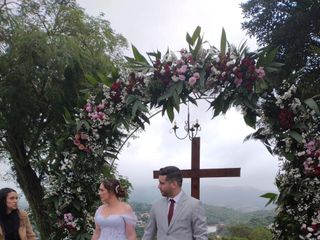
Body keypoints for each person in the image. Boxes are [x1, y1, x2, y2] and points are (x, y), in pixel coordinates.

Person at [142, 166, 208, 240]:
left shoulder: (195, 205)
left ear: (174, 184)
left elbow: (201, 236)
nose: (158, 186)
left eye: (162, 183)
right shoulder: (156, 205)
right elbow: (148, 234)